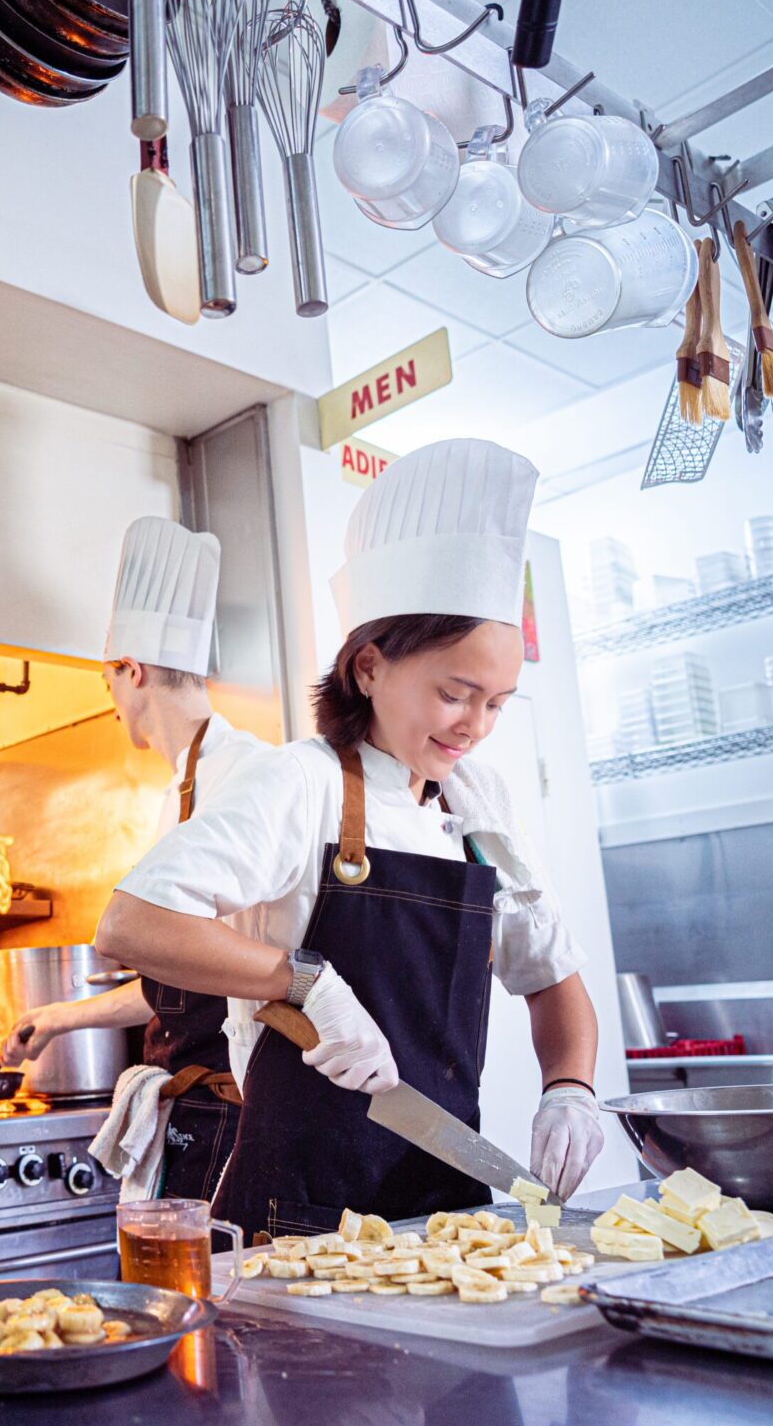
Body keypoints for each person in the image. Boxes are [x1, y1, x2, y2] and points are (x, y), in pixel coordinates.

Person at [94, 440, 604, 1236]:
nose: (475, 726)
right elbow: (132, 922)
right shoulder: (304, 782)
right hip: (302, 1221)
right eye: (454, 694)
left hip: (444, 1217)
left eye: (497, 703)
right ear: (368, 667)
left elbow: (553, 980)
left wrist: (570, 1088)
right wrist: (308, 984)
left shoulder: (478, 805)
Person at [1, 515, 263, 1199]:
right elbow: (187, 982)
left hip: (240, 1115)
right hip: (196, 1113)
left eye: (109, 683)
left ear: (133, 672)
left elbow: (246, 972)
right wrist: (62, 1017)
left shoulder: (249, 778)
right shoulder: (177, 793)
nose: (113, 703)